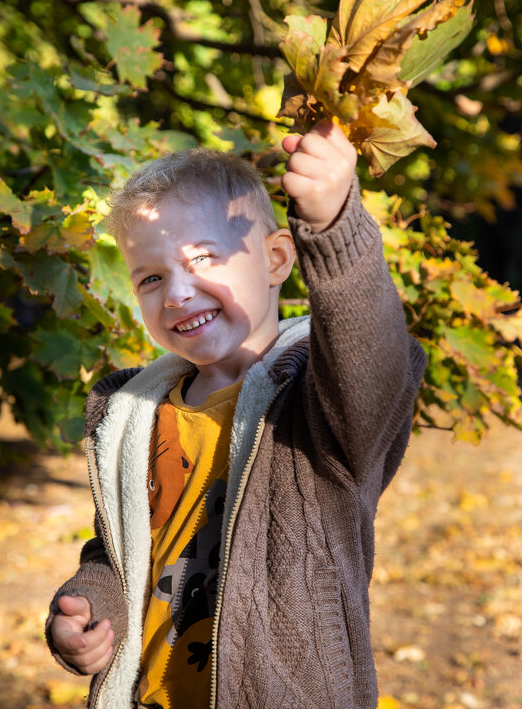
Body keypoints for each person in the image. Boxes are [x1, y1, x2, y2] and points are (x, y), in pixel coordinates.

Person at [45, 120, 427, 709]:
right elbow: (120, 548)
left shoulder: (316, 403)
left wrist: (332, 224)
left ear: (276, 259)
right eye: (152, 277)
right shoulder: (137, 413)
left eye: (203, 257)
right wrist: (93, 602)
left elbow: (366, 354)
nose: (177, 293)